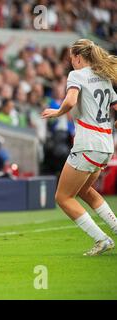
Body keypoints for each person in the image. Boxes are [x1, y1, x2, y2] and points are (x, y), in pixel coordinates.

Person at [41, 39, 117, 256]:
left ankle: (102, 239)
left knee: (63, 197)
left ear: (77, 57)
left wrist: (56, 113)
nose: (70, 62)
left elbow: (71, 101)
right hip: (105, 146)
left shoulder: (77, 75)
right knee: (84, 190)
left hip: (88, 145)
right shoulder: (104, 76)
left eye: (71, 58)